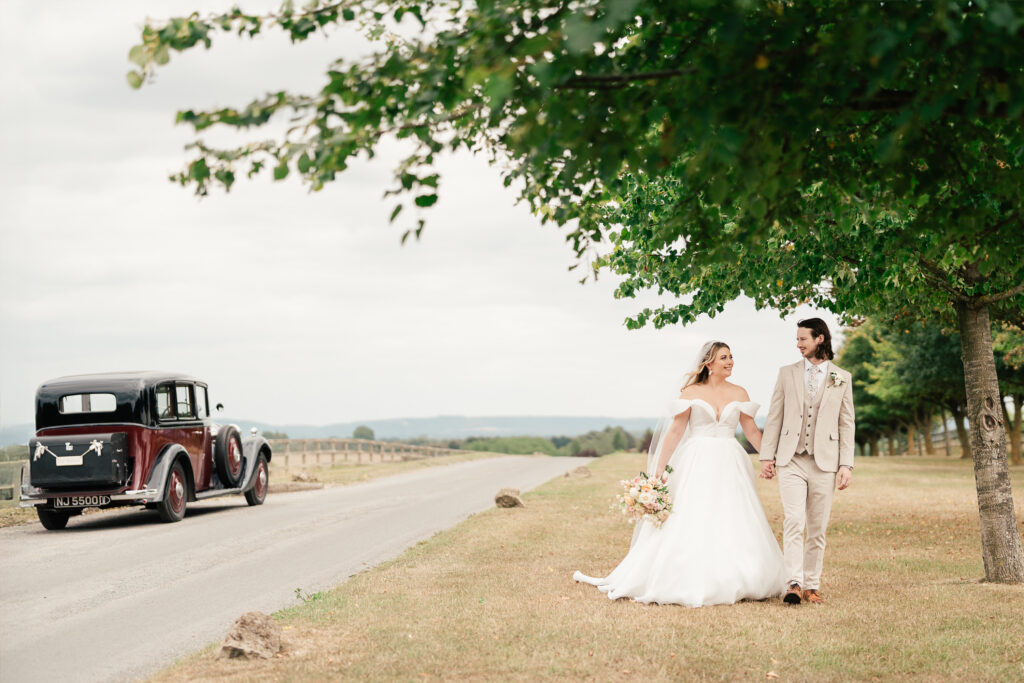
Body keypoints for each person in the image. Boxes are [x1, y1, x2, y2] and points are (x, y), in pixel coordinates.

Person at [574, 341, 785, 606]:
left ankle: (742, 574)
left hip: (730, 459)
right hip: (697, 459)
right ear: (708, 363)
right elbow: (675, 430)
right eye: (724, 357)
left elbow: (751, 430)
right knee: (693, 513)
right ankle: (687, 575)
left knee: (734, 512)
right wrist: (659, 468)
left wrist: (768, 457)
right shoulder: (690, 392)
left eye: (731, 357)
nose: (730, 361)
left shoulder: (740, 392)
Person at [759, 318, 855, 605]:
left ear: (820, 339)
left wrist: (846, 464)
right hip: (791, 460)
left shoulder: (842, 377)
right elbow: (774, 416)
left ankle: (812, 585)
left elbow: (846, 423)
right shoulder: (786, 373)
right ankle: (794, 583)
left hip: (825, 462)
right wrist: (767, 456)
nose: (798, 344)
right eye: (797, 339)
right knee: (793, 521)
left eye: (803, 339)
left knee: (817, 526)